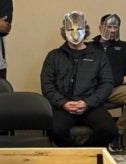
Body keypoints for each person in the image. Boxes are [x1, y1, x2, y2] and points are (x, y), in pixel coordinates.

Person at [41, 11, 118, 148]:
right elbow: (47, 85)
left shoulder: (99, 56)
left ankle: (86, 152)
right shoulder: (54, 56)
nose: (74, 33)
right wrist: (63, 103)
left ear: (86, 30)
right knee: (55, 130)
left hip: (91, 106)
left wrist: (88, 103)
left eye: (79, 29)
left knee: (109, 130)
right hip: (63, 107)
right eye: (70, 29)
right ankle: (73, 154)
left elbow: (107, 84)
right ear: (64, 32)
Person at [92, 13, 126, 152]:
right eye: (109, 27)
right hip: (93, 90)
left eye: (116, 27)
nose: (113, 30)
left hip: (117, 89)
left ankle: (116, 133)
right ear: (100, 27)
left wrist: (121, 80)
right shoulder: (89, 47)